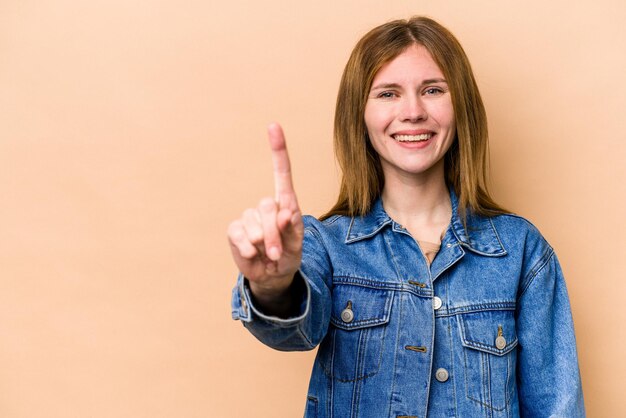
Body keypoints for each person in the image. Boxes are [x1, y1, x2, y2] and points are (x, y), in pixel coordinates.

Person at [228, 16, 585, 417]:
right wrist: (274, 288)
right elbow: (292, 331)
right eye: (388, 94)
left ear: (460, 105)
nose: (412, 112)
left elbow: (558, 408)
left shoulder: (522, 252)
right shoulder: (324, 245)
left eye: (432, 90)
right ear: (359, 115)